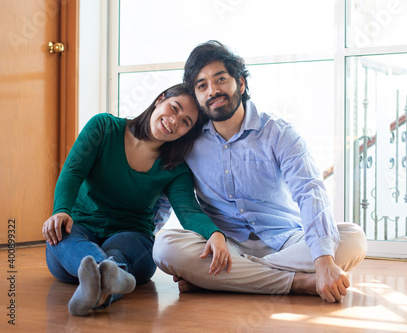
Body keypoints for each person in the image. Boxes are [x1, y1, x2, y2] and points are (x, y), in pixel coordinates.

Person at [153, 41, 367, 303]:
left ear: (240, 84)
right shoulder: (188, 141)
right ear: (197, 97)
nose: (213, 91)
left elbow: (310, 191)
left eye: (221, 79)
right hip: (224, 245)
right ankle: (296, 282)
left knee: (353, 238)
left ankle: (225, 279)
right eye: (202, 86)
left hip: (286, 240)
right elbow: (166, 194)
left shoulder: (279, 132)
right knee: (165, 247)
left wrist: (323, 261)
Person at [42, 83, 231, 316]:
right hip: (80, 227)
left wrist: (215, 234)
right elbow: (72, 172)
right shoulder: (103, 127)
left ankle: (97, 283)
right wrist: (61, 210)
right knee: (61, 236)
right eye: (174, 108)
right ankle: (108, 280)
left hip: (131, 237)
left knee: (124, 251)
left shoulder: (176, 167)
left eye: (185, 122)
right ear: (160, 99)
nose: (174, 121)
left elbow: (188, 210)